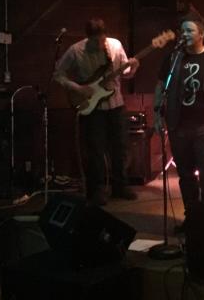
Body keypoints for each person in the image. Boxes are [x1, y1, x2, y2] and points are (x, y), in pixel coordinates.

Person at [154, 9, 204, 232]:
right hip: (179, 126)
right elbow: (161, 86)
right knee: (186, 176)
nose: (185, 34)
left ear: (201, 34)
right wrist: (157, 115)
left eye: (189, 30)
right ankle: (193, 218)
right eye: (182, 31)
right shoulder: (173, 58)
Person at [54, 18, 140, 206]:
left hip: (116, 104)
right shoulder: (76, 51)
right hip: (93, 108)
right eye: (95, 42)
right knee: (95, 150)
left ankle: (120, 186)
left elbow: (125, 73)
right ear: (88, 38)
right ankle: (98, 189)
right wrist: (77, 88)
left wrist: (133, 68)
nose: (99, 45)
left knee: (120, 147)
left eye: (102, 40)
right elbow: (58, 74)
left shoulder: (115, 45)